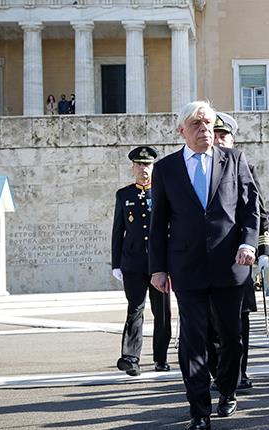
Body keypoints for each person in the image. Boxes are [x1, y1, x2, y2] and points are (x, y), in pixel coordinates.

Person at [148, 101, 260, 430]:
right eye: (196, 124)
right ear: (181, 130)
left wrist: (248, 243)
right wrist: (158, 267)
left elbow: (250, 206)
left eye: (208, 123)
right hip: (187, 266)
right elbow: (159, 222)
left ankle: (226, 389)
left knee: (231, 337)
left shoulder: (234, 160)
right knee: (192, 339)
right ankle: (199, 410)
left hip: (230, 264)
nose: (205, 129)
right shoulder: (167, 169)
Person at [212, 111, 269, 391]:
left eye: (224, 135)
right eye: (215, 134)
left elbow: (259, 211)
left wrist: (262, 249)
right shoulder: (200, 169)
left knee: (238, 319)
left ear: (233, 139)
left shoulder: (242, 166)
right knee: (210, 322)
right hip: (209, 257)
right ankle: (218, 373)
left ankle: (238, 373)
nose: (219, 139)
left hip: (239, 256)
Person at [111, 145, 171, 377]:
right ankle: (130, 358)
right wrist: (116, 263)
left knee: (162, 312)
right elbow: (118, 231)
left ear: (153, 167)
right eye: (139, 164)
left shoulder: (163, 192)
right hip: (133, 263)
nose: (143, 169)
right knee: (134, 309)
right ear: (132, 167)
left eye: (147, 164)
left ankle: (161, 357)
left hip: (160, 264)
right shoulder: (123, 195)